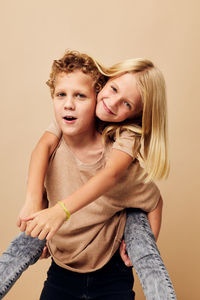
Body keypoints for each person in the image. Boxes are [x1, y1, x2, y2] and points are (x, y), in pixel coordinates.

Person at [0, 51, 177, 300]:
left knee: (138, 229)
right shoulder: (67, 123)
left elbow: (115, 176)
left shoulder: (124, 140)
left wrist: (139, 249)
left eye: (127, 103)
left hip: (111, 273)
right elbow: (42, 148)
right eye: (113, 89)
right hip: (63, 270)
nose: (113, 102)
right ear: (103, 86)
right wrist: (34, 201)